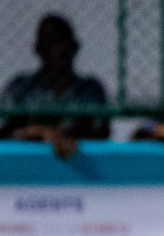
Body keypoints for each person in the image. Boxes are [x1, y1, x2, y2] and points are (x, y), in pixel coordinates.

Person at [0, 14, 108, 159]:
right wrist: (39, 133)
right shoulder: (21, 88)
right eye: (51, 43)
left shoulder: (90, 90)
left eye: (63, 42)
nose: (59, 50)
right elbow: (5, 131)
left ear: (74, 47)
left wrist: (67, 135)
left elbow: (101, 132)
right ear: (39, 49)